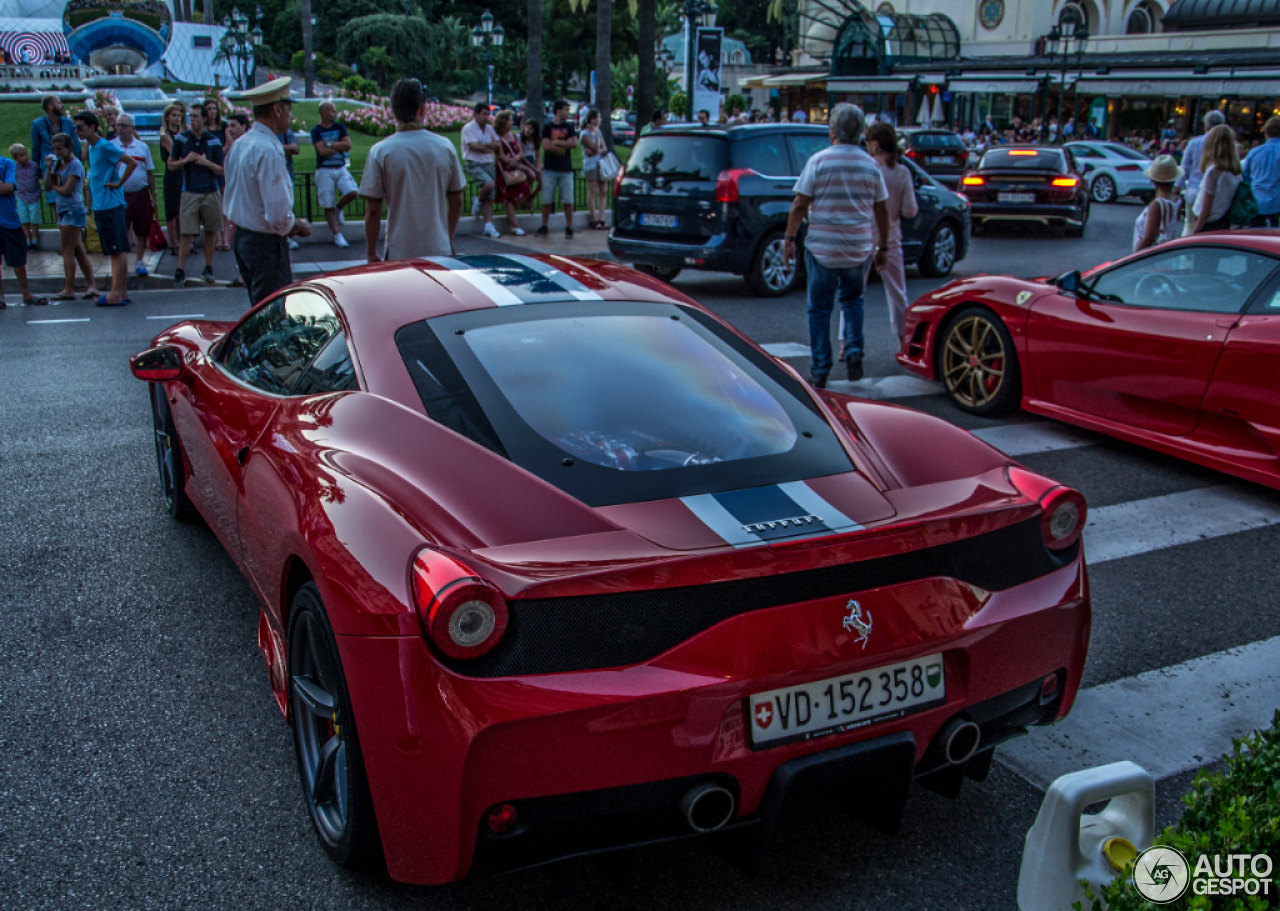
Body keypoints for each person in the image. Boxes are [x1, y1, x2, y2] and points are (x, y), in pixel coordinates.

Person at [782, 103, 888, 387]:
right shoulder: (871, 166)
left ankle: (820, 368)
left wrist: (789, 239)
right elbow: (881, 210)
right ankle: (854, 350)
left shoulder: (818, 161)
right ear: (860, 134)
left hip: (822, 248)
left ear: (833, 132)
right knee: (853, 301)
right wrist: (883, 247)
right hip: (858, 247)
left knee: (819, 309)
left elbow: (799, 203)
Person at [222, 76, 311, 306]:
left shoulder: (241, 144)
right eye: (288, 109)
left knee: (258, 308)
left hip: (243, 237)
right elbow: (278, 215)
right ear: (277, 109)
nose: (290, 116)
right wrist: (297, 226)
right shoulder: (268, 150)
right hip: (264, 244)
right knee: (272, 315)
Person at [358, 77, 464, 262]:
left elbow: (373, 210)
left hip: (399, 251)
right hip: (439, 249)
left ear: (393, 109)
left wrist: (370, 252)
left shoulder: (381, 151)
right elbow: (457, 202)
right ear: (422, 108)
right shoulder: (445, 147)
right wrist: (448, 239)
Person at [864, 122, 918, 351]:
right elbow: (910, 210)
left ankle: (846, 343)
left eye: (867, 142)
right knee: (897, 293)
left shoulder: (867, 168)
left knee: (854, 293)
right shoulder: (902, 172)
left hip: (864, 235)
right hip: (891, 237)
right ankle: (903, 339)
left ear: (875, 145)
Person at [73, 110, 136, 306]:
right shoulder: (92, 147)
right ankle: (122, 292)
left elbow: (131, 162)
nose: (77, 131)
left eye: (80, 127)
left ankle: (115, 294)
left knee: (115, 251)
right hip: (104, 205)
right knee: (119, 250)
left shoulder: (103, 146)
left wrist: (119, 184)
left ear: (92, 127)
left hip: (109, 205)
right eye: (75, 127)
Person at [169, 104, 224, 288]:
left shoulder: (214, 141)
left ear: (204, 118)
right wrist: (186, 160)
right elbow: (171, 164)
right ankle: (180, 270)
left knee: (210, 231)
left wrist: (205, 162)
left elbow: (222, 169)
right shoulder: (181, 139)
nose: (192, 120)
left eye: (195, 117)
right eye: (190, 117)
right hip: (190, 191)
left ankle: (208, 267)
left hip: (210, 190)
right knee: (186, 233)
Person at [43, 132, 97, 300]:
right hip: (63, 209)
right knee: (78, 250)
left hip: (72, 209)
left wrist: (53, 186)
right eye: (54, 149)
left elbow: (66, 190)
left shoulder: (75, 165)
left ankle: (69, 289)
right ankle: (92, 286)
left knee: (66, 251)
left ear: (69, 147)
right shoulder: (60, 164)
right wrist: (49, 169)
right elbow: (47, 186)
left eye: (59, 149)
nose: (56, 152)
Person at [0, 146, 47, 307]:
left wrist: (4, 187)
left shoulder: (6, 163)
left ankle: (26, 294)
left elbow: (8, 187)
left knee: (18, 260)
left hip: (9, 220)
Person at [111, 113, 157, 278]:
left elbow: (149, 172)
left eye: (124, 125)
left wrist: (154, 196)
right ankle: (120, 261)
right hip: (119, 195)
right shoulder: (111, 146)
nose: (120, 128)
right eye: (118, 125)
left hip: (140, 194)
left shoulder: (141, 147)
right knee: (120, 228)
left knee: (141, 228)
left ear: (132, 128)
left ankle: (139, 261)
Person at [310, 100, 358, 248]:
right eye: (332, 111)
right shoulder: (316, 131)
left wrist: (330, 144)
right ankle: (337, 235)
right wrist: (339, 147)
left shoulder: (340, 127)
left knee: (352, 192)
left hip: (341, 167)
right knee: (328, 203)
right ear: (324, 113)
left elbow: (348, 145)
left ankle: (339, 209)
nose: (335, 113)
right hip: (324, 170)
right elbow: (321, 151)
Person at [1180, 109, 1224, 236]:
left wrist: (1178, 186)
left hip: (1193, 189)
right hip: (1216, 194)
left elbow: (1185, 166)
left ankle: (1184, 252)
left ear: (1206, 125)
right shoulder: (1224, 145)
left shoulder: (1194, 143)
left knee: (1189, 224)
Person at [538, 99, 578, 238]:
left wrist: (555, 142)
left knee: (568, 200)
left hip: (565, 169)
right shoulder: (548, 127)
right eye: (566, 110)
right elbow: (546, 146)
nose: (568, 113)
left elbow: (574, 143)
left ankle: (569, 227)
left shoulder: (569, 126)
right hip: (550, 169)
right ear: (558, 110)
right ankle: (544, 225)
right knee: (546, 200)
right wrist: (563, 143)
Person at [31, 94, 79, 208]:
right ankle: (61, 226)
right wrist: (36, 170)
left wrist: (80, 165)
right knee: (56, 203)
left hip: (69, 166)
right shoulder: (37, 125)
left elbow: (76, 146)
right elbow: (35, 149)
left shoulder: (67, 123)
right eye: (58, 103)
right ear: (50, 106)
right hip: (50, 168)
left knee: (71, 200)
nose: (62, 105)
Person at [1192, 124, 1242, 234]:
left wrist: (1194, 232)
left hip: (1207, 223)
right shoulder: (1236, 171)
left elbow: (1205, 211)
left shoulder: (1213, 172)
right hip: (1223, 220)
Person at [493, 110, 537, 235]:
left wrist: (516, 160)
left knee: (524, 189)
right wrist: (511, 162)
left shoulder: (514, 135)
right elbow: (500, 154)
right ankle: (515, 225)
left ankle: (512, 214)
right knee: (509, 198)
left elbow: (521, 152)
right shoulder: (498, 138)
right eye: (510, 120)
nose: (512, 122)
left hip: (516, 167)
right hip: (504, 169)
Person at [461, 102, 501, 238]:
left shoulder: (489, 129)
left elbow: (497, 144)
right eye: (483, 114)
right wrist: (488, 147)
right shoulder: (468, 128)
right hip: (475, 163)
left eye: (488, 114)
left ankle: (488, 225)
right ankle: (477, 202)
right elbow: (474, 146)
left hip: (488, 163)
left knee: (489, 197)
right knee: (489, 184)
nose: (486, 117)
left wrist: (484, 145)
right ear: (475, 114)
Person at [1132, 156, 1184, 252]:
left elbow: (1148, 239)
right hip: (1166, 252)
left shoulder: (1157, 205)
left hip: (1152, 257)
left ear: (1153, 181)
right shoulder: (1177, 200)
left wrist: (1132, 258)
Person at [1243, 115, 1280, 227]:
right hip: (1277, 203)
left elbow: (1246, 176)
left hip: (1257, 202)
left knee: (1253, 236)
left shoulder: (1254, 152)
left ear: (1266, 133)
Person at [158, 103, 186, 253]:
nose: (178, 118)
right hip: (172, 175)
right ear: (168, 117)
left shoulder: (182, 132)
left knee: (182, 209)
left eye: (179, 115)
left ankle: (183, 241)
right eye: (174, 115)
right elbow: (176, 153)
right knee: (172, 210)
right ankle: (173, 243)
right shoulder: (165, 136)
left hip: (182, 173)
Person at [9, 144, 41, 250]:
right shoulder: (14, 168)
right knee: (24, 220)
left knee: (34, 219)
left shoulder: (34, 166)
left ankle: (35, 239)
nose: (25, 157)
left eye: (26, 154)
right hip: (21, 196)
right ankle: (27, 239)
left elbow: (39, 175)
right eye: (21, 155)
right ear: (16, 158)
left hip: (34, 196)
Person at [580, 109, 607, 230]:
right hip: (591, 165)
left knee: (603, 191)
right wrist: (595, 135)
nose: (600, 119)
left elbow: (603, 148)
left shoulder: (599, 132)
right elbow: (595, 147)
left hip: (600, 164)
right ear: (593, 119)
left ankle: (602, 218)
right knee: (593, 192)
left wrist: (596, 151)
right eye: (599, 117)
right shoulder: (585, 134)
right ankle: (593, 219)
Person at [278, 122, 301, 249]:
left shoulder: (288, 133)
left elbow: (295, 149)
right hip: (275, 178)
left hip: (288, 175)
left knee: (288, 208)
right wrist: (286, 148)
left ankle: (287, 236)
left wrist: (277, 147)